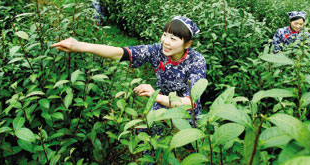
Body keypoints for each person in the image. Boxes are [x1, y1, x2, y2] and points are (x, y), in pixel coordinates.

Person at [51, 16, 207, 128]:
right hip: (161, 104)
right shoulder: (158, 50)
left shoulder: (196, 61)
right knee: (149, 135)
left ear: (187, 44)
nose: (165, 41)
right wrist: (79, 46)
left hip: (187, 112)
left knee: (191, 145)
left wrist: (155, 96)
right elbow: (121, 52)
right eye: (165, 35)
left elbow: (189, 103)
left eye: (173, 39)